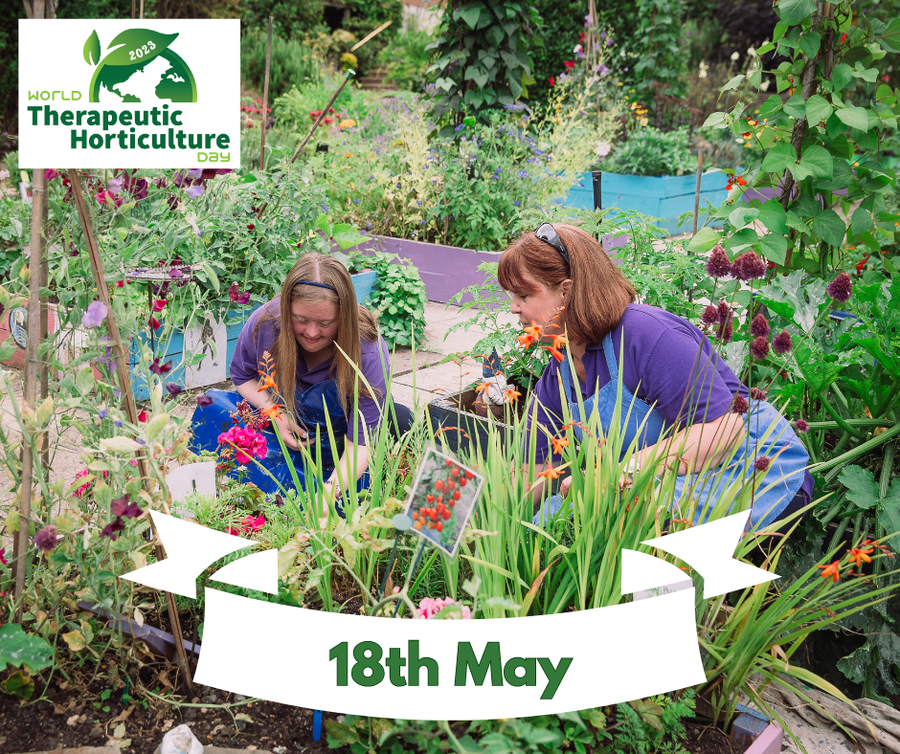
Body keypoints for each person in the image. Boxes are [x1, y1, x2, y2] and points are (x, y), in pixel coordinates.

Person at [498, 223, 813, 530]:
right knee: (548, 523)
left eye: (523, 295)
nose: (513, 308)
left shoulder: (645, 335)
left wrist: (617, 475)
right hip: (664, 479)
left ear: (566, 292)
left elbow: (726, 430)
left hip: (753, 472)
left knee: (619, 515)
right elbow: (532, 472)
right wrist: (489, 517)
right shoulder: (559, 373)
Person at [191, 253, 412, 507]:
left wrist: (330, 492)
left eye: (326, 323)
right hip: (289, 434)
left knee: (354, 498)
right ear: (286, 308)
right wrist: (275, 413)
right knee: (213, 408)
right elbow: (242, 377)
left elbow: (361, 444)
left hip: (345, 446)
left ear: (344, 316)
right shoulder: (266, 322)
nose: (312, 332)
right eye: (301, 320)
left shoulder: (367, 350)